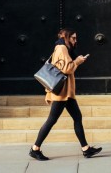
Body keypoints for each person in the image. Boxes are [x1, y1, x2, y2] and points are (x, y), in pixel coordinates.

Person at [29, 28, 103, 161]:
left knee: (77, 117)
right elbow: (67, 68)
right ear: (66, 37)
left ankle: (86, 149)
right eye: (73, 38)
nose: (75, 40)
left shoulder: (62, 48)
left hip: (66, 93)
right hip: (61, 93)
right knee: (52, 120)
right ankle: (35, 148)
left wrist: (76, 60)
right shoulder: (62, 48)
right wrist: (78, 62)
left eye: (76, 38)